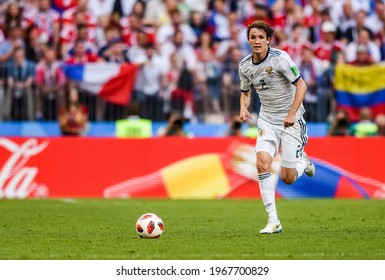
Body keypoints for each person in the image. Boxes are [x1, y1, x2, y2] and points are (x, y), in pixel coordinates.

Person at [239, 21, 315, 234]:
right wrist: (244, 108)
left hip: (291, 121)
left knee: (287, 178)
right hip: (267, 121)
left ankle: (304, 161)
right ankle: (273, 220)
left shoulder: (280, 59)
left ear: (268, 40)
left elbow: (301, 85)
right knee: (262, 164)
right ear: (248, 40)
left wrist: (291, 113)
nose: (257, 41)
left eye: (261, 37)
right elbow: (245, 91)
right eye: (253, 37)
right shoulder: (244, 65)